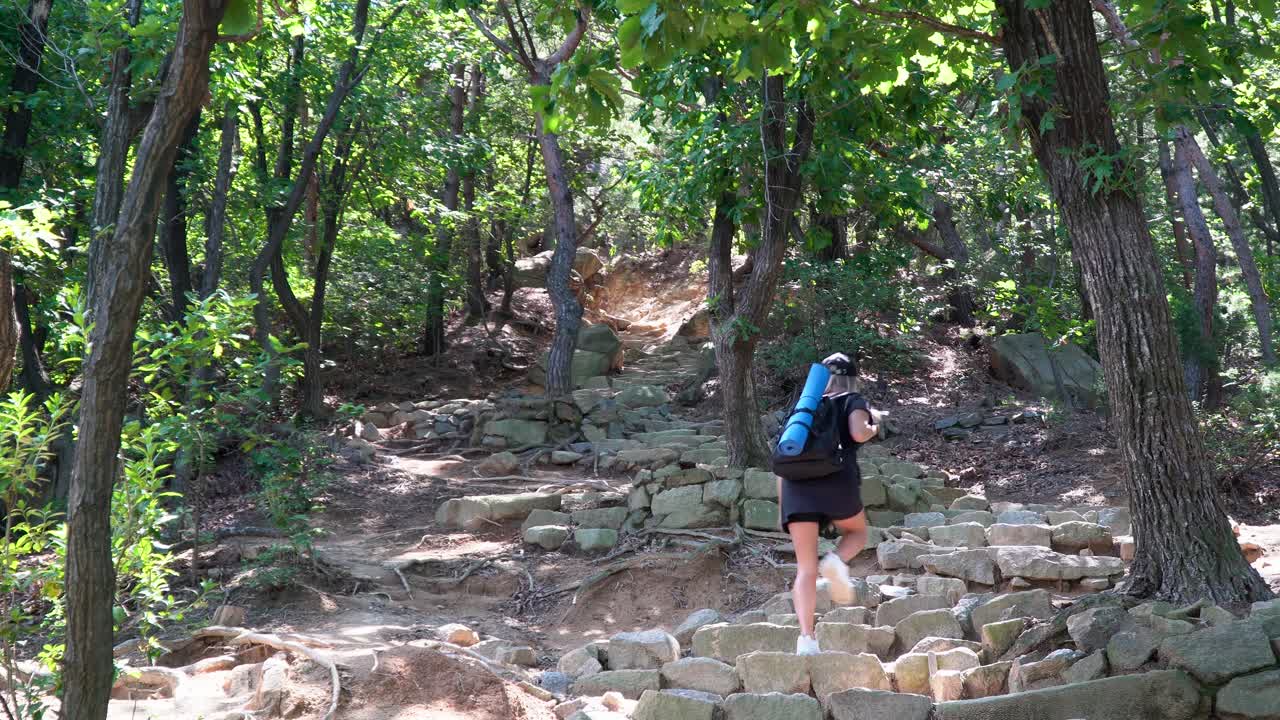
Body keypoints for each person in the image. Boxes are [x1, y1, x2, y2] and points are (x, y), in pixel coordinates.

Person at [777, 352, 879, 655]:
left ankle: (807, 640)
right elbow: (858, 432)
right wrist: (875, 426)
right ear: (851, 377)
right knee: (858, 534)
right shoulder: (851, 399)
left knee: (805, 569)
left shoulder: (802, 412)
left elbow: (782, 460)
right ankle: (835, 561)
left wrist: (784, 507)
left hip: (795, 488)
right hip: (836, 482)